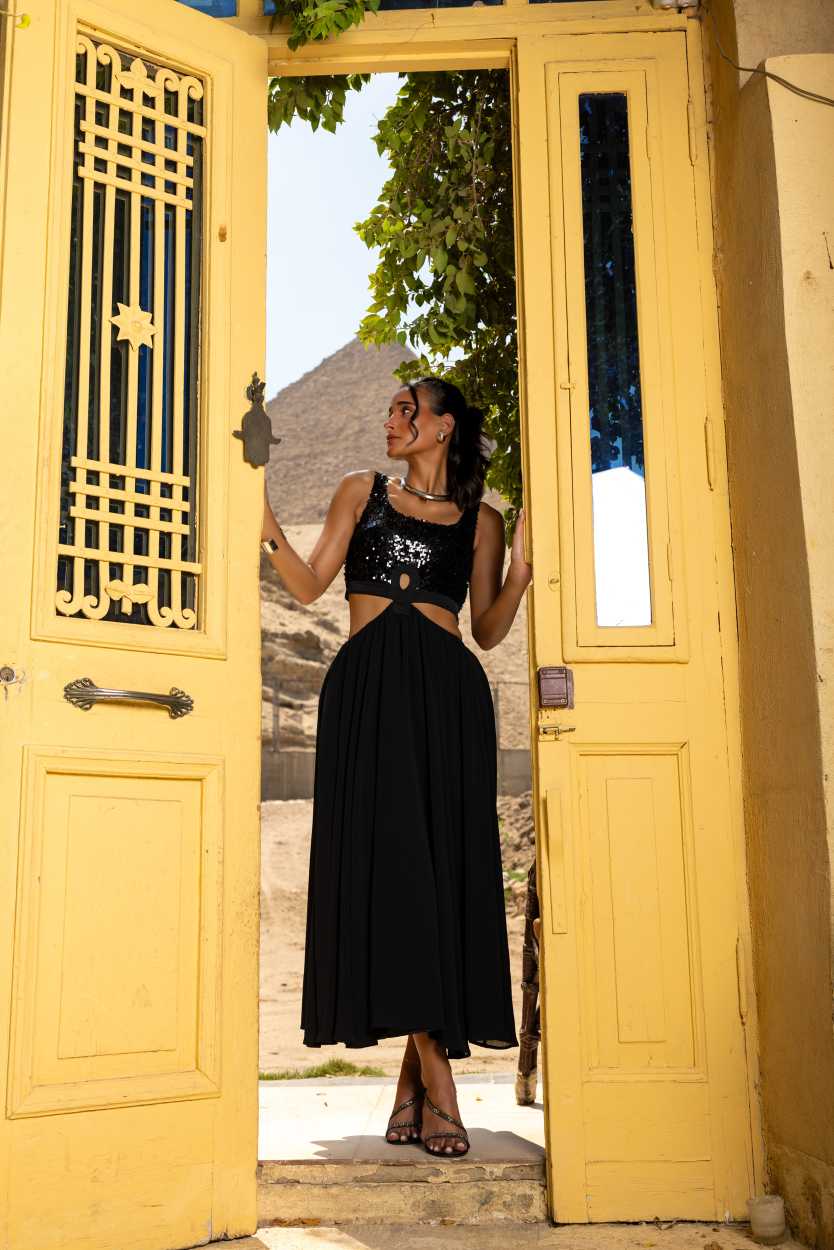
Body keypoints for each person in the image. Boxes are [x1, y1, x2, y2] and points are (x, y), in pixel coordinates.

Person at [261, 376, 532, 1157]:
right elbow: (309, 585)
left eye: (407, 411)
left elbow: (487, 630)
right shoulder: (361, 491)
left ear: (443, 427)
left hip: (448, 703)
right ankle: (438, 1079)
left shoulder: (481, 520)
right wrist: (262, 515)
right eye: (388, 411)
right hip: (369, 697)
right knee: (392, 874)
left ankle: (414, 1085)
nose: (391, 420)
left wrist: (518, 574)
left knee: (438, 876)